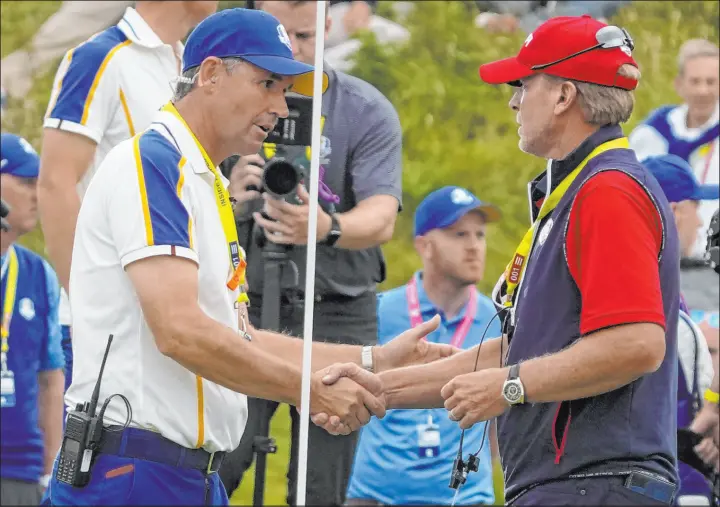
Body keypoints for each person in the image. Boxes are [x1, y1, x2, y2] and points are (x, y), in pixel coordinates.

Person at [45, 9, 452, 506]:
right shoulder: (154, 162)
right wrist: (311, 390)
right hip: (135, 469)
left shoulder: (207, 179)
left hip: (183, 472)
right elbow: (180, 332)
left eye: (285, 90)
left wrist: (369, 358)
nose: (282, 107)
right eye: (268, 84)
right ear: (211, 74)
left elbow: (242, 337)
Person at [313, 14, 684, 505]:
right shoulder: (581, 192)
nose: (513, 100)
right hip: (578, 484)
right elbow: (520, 351)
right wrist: (381, 388)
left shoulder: (607, 191)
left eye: (523, 83)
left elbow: (637, 344)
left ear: (563, 95)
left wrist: (510, 387)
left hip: (595, 484)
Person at [219, 1, 403, 504]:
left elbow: (382, 215)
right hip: (248, 305)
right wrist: (228, 194)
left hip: (338, 310)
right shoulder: (228, 109)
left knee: (320, 486)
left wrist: (326, 226)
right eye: (275, 40)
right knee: (220, 459)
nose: (290, 54)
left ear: (326, 26)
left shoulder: (363, 108)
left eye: (301, 36)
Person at [37, 0, 218, 393]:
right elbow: (55, 183)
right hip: (109, 330)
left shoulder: (188, 62)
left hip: (169, 318)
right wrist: (91, 305)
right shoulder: (100, 57)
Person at [345, 186, 502, 506]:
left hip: (467, 499)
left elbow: (502, 415)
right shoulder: (376, 311)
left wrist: (483, 470)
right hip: (374, 498)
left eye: (480, 235)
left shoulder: (498, 320)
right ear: (425, 246)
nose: (474, 247)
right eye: (459, 234)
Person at [643, 154, 719, 504]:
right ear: (673, 212)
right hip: (669, 484)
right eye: (695, 206)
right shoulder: (651, 290)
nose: (701, 220)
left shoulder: (665, 285)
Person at [629, 39, 719, 327]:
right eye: (695, 81)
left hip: (710, 270)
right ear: (679, 84)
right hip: (656, 266)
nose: (703, 90)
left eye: (711, 81)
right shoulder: (652, 133)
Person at [0, 133, 65, 506]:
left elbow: (50, 381)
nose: (37, 195)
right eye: (25, 184)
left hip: (22, 472)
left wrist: (48, 472)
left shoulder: (39, 274)